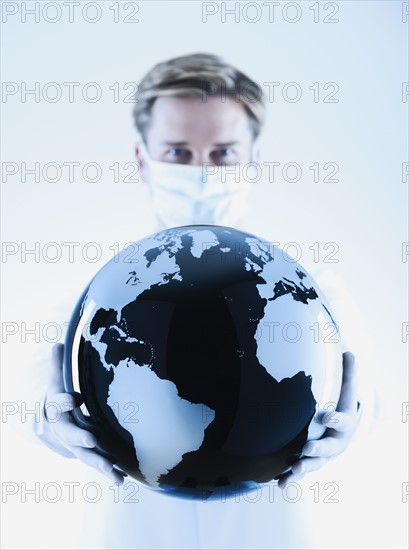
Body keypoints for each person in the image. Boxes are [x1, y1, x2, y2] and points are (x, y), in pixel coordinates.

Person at [30, 53, 373, 549]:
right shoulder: (96, 305)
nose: (200, 170)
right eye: (177, 152)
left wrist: (353, 424)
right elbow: (26, 394)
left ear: (254, 159)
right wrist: (46, 418)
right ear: (141, 159)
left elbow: (372, 397)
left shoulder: (309, 297)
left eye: (222, 153)